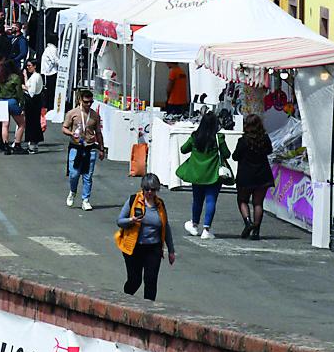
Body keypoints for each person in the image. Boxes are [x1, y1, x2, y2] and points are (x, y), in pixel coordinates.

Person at [116, 173, 176, 301]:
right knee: (135, 280)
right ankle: (125, 301)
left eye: (153, 189)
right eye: (147, 189)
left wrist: (171, 250)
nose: (149, 192)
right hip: (134, 247)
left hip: (153, 248)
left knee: (151, 280)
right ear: (142, 188)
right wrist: (131, 220)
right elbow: (119, 221)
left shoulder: (160, 205)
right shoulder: (133, 200)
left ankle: (149, 310)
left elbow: (166, 227)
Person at [176, 110, 230, 239]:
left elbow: (183, 149)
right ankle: (206, 229)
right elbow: (227, 154)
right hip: (213, 175)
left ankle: (194, 225)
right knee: (211, 201)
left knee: (197, 200)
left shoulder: (195, 137)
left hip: (197, 174)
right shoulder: (218, 138)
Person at [233, 113, 275, 240]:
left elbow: (235, 156)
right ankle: (256, 231)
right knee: (258, 203)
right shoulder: (265, 139)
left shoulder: (243, 141)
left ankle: (248, 222)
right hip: (262, 175)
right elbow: (269, 151)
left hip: (246, 175)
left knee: (242, 200)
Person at [62, 89, 105, 211]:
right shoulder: (72, 113)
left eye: (90, 102)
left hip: (90, 147)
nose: (88, 104)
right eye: (86, 102)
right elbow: (64, 128)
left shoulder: (95, 115)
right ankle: (73, 191)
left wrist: (101, 148)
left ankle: (85, 200)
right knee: (74, 174)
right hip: (76, 147)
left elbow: (98, 133)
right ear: (80, 100)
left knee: (88, 175)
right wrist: (71, 133)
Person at [0, 59, 26, 155]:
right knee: (21, 124)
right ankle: (17, 144)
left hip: (1, 101)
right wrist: (22, 104)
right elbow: (19, 92)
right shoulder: (15, 77)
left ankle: (5, 145)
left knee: (5, 125)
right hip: (12, 101)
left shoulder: (0, 77)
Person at [22, 58, 44, 154]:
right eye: (27, 66)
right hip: (34, 102)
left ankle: (32, 144)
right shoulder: (35, 76)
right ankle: (33, 144)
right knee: (33, 123)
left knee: (32, 123)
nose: (28, 67)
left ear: (34, 66)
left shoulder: (36, 77)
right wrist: (25, 77)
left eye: (29, 66)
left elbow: (31, 92)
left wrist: (23, 87)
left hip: (33, 102)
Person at [40, 34, 59, 111]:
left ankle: (48, 105)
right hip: (51, 72)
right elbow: (55, 60)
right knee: (51, 91)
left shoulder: (47, 48)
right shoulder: (52, 49)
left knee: (48, 91)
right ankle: (50, 106)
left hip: (47, 72)